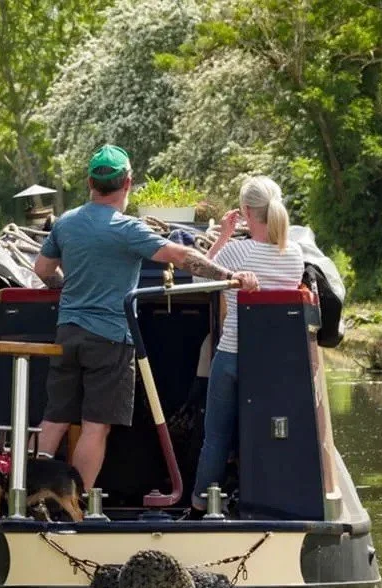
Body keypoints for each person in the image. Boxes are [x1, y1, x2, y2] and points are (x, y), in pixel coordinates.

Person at [31, 144, 259, 494]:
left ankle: (31, 492)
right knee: (95, 426)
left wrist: (68, 290)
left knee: (55, 417)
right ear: (128, 183)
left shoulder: (66, 223)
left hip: (68, 333)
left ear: (90, 182)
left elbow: (43, 270)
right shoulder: (127, 229)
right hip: (110, 339)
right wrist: (231, 275)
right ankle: (71, 506)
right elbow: (180, 256)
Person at [188, 176, 307, 516]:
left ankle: (201, 500)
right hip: (273, 362)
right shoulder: (295, 255)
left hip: (232, 357)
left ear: (244, 213)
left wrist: (224, 234)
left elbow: (197, 277)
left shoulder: (236, 251)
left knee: (216, 435)